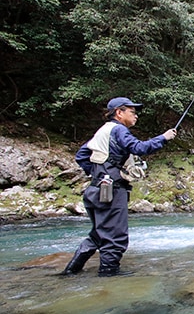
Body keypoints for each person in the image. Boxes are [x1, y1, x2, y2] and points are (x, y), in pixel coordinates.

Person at [61, 97, 177, 277]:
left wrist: (98, 173)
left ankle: (71, 271)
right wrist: (164, 137)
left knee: (99, 235)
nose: (136, 116)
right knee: (115, 237)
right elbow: (139, 148)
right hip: (111, 191)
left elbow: (82, 156)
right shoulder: (118, 129)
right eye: (132, 112)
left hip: (96, 190)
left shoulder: (103, 131)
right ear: (119, 112)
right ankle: (109, 275)